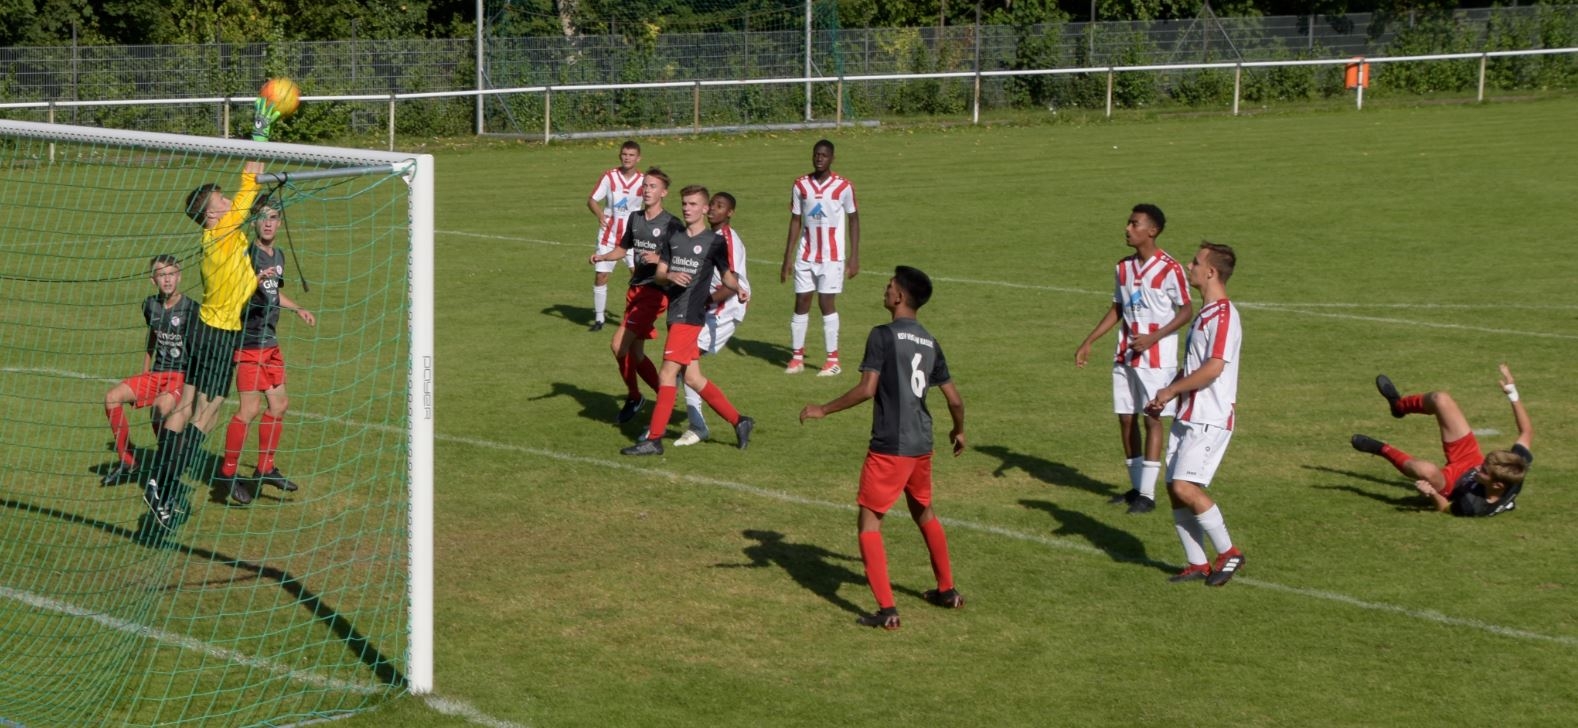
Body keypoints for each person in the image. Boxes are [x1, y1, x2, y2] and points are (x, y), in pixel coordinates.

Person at [799, 266, 965, 630]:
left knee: (869, 522)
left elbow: (866, 389)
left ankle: (887, 610)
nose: (885, 290)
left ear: (900, 297)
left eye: (889, 286)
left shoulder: (882, 335)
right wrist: (959, 431)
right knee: (924, 511)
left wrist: (823, 409)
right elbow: (954, 399)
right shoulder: (930, 341)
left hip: (891, 445)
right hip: (922, 443)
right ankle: (947, 590)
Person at [1075, 204, 1194, 514]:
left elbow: (1186, 310)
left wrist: (1154, 337)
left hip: (1157, 359)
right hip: (1125, 355)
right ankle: (1137, 487)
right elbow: (1118, 307)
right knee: (1125, 417)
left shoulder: (1170, 268)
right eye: (1128, 223)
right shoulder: (1123, 267)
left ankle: (1148, 495)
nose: (1127, 229)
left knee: (1151, 418)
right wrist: (1089, 340)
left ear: (1152, 230)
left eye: (1134, 224)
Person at [621, 185, 753, 456]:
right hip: (675, 312)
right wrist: (669, 276)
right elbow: (660, 274)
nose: (687, 208)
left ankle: (655, 439)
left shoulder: (715, 242)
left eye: (693, 204)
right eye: (684, 204)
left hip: (690, 317)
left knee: (667, 374)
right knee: (692, 377)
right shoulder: (674, 237)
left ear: (704, 208)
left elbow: (727, 275)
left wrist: (738, 288)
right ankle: (740, 421)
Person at [1144, 242, 1245, 587]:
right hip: (1188, 414)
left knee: (1185, 486)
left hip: (1209, 416)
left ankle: (1229, 552)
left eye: (1196, 262)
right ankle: (1197, 563)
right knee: (1174, 488)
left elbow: (1214, 368)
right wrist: (1167, 393)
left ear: (1211, 272)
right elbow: (1194, 366)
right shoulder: (1205, 313)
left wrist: (1171, 391)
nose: (1189, 266)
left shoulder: (1225, 316)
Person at [218, 198, 317, 504]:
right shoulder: (246, 255)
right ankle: (227, 473)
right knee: (249, 410)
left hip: (270, 343)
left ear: (280, 222)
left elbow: (273, 293)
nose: (268, 223)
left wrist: (297, 308)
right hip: (249, 344)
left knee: (280, 404)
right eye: (262, 217)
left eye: (273, 217)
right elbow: (234, 294)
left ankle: (265, 467)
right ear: (254, 223)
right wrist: (252, 281)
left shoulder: (279, 255)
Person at [1350, 365, 1532, 517]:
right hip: (1469, 456)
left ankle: (1380, 449)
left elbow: (1444, 507)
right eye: (1483, 465)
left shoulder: (1473, 506)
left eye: (1484, 471)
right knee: (1441, 399)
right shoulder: (1514, 469)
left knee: (1425, 470)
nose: (1478, 468)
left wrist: (1431, 493)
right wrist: (1512, 394)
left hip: (1451, 484)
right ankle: (1399, 406)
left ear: (1497, 485)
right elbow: (1526, 432)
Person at [589, 168, 680, 425]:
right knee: (636, 352)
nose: (647, 190)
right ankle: (664, 396)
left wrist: (659, 259)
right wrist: (602, 256)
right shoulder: (635, 218)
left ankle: (634, 396)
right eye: (646, 186)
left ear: (664, 193)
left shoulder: (672, 224)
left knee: (618, 345)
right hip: (636, 289)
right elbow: (623, 248)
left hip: (655, 292)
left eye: (653, 186)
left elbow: (683, 259)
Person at [100, 255, 197, 486]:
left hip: (180, 376)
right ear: (153, 280)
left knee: (159, 409)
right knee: (111, 398)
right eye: (161, 275)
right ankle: (128, 460)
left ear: (179, 277)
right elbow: (153, 334)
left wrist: (193, 387)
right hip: (156, 374)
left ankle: (169, 463)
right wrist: (146, 369)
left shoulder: (191, 309)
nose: (167, 279)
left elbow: (198, 348)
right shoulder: (149, 305)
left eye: (171, 274)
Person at [675, 191, 751, 447]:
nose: (714, 210)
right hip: (711, 306)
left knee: (684, 361)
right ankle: (720, 422)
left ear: (730, 213)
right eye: (713, 205)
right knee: (683, 364)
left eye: (721, 206)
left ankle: (699, 426)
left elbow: (732, 284)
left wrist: (702, 301)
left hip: (725, 308)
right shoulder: (710, 236)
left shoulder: (728, 240)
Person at [780, 139, 859, 377]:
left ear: (832, 158)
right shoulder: (800, 185)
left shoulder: (843, 186)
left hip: (832, 257)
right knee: (801, 301)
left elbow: (854, 219)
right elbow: (795, 220)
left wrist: (854, 256)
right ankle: (796, 358)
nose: (819, 159)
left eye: (824, 155)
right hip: (806, 255)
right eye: (816, 154)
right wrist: (787, 257)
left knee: (826, 303)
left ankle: (832, 360)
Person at [586, 141, 644, 332]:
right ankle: (599, 318)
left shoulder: (643, 181)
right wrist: (600, 215)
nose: (627, 158)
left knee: (637, 276)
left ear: (638, 158)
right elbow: (592, 200)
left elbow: (652, 202)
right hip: (609, 234)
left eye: (631, 155)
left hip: (633, 235)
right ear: (620, 156)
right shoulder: (609, 176)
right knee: (601, 275)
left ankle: (635, 317)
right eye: (624, 154)